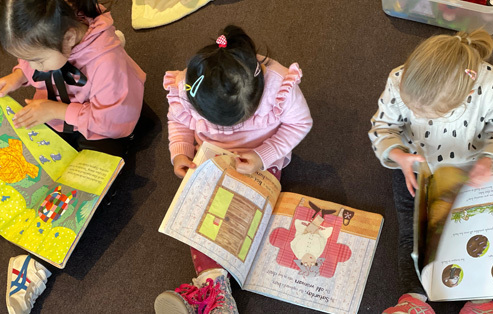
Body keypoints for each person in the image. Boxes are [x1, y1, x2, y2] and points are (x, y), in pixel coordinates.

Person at [155, 25, 313, 313]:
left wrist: (263, 155)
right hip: (210, 160)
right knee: (203, 214)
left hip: (259, 163)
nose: (227, 130)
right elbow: (178, 121)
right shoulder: (187, 87)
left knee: (242, 216)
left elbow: (299, 124)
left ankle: (211, 293)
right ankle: (213, 287)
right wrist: (180, 154)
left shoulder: (279, 86)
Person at [0, 1, 145, 313]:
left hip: (104, 124)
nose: (28, 63)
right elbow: (34, 67)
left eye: (34, 58)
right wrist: (18, 76)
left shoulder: (106, 63)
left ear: (68, 38)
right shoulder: (51, 34)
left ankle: (35, 263)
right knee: (21, 153)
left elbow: (117, 123)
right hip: (61, 109)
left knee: (91, 189)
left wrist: (57, 110)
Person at [369, 29, 493, 314]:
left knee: (480, 228)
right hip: (417, 167)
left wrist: (489, 160)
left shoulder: (492, 86)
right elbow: (383, 127)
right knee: (411, 233)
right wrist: (398, 155)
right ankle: (414, 299)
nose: (418, 116)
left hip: (472, 168)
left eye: (431, 114)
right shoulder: (398, 79)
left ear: (466, 92)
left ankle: (480, 300)